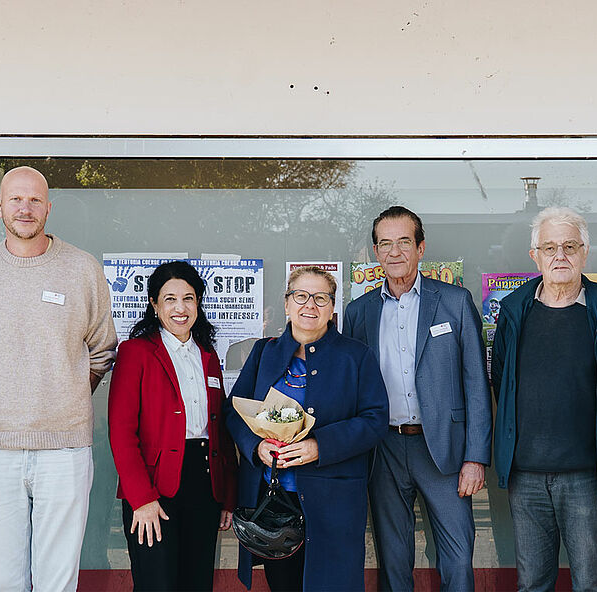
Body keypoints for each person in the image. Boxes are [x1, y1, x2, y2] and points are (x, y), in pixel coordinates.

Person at [0, 166, 117, 592]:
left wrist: (65, 395)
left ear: (48, 207)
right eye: (16, 199)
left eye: (34, 200)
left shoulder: (82, 269)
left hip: (66, 447)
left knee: (57, 580)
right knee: (4, 580)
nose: (25, 208)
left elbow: (102, 351)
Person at [491, 207, 597, 592]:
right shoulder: (514, 313)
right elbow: (501, 382)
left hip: (587, 475)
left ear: (585, 252)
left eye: (569, 246)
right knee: (531, 583)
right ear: (535, 256)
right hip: (525, 475)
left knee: (591, 582)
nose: (559, 255)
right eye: (549, 247)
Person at [342, 206, 492, 592]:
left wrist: (475, 457)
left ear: (421, 248)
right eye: (385, 244)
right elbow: (350, 389)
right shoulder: (358, 312)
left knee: (457, 557)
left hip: (442, 449)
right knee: (393, 558)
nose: (395, 252)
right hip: (384, 450)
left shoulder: (455, 302)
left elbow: (476, 382)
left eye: (404, 242)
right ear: (376, 252)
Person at [226, 265, 389, 591]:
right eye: (301, 296)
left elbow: (375, 419)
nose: (309, 305)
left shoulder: (356, 356)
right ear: (287, 304)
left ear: (332, 308)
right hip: (275, 500)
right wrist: (257, 448)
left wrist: (320, 446)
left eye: (320, 298)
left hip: (334, 499)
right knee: (283, 585)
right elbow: (233, 413)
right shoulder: (263, 352)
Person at [108, 261, 237, 591]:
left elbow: (220, 428)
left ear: (198, 303)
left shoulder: (207, 354)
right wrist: (141, 498)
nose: (180, 308)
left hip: (205, 483)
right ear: (154, 304)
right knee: (157, 583)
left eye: (189, 298)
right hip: (154, 488)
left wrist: (227, 497)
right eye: (170, 299)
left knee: (197, 582)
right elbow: (121, 432)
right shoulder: (135, 352)